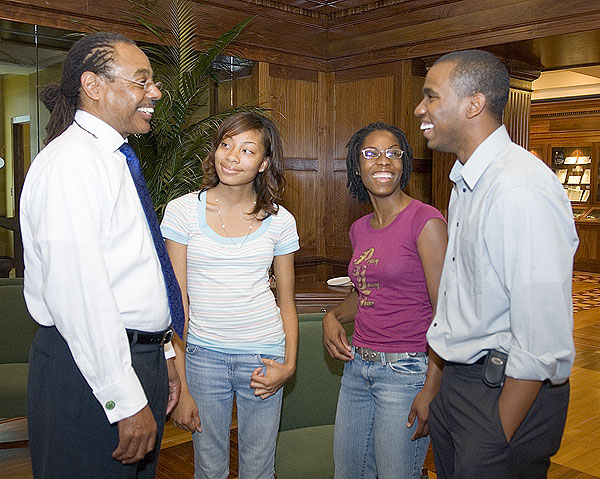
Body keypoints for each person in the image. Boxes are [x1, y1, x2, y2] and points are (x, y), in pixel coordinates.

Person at [20, 32, 182, 478]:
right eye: (142, 80)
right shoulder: (72, 163)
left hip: (134, 360)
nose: (156, 92)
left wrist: (163, 355)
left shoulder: (114, 158)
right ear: (93, 86)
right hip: (89, 370)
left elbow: (136, 272)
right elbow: (80, 295)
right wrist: (123, 398)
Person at [414, 49, 579, 478]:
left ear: (474, 103)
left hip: (503, 391)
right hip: (463, 384)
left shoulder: (518, 188)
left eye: (431, 96)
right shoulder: (467, 181)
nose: (421, 109)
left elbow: (542, 339)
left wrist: (495, 431)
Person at [161, 112, 299, 479]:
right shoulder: (182, 211)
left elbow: (287, 301)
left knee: (258, 468)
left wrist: (288, 365)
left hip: (263, 355)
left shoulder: (280, 220)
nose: (232, 157)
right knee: (209, 469)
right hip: (203, 357)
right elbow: (178, 302)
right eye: (226, 145)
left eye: (247, 150)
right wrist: (183, 382)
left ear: (264, 163)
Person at [322, 122, 447, 479]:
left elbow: (446, 314)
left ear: (404, 163)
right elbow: (364, 295)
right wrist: (332, 317)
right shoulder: (360, 229)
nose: (384, 161)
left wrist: (431, 389)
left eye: (394, 153)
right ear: (356, 166)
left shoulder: (425, 221)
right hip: (357, 369)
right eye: (371, 153)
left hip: (406, 371)